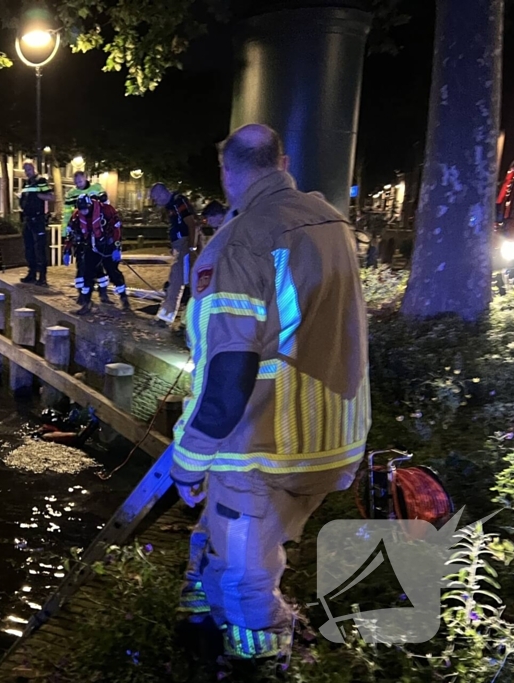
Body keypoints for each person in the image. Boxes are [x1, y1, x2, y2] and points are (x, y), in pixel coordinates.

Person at [172, 124, 371, 661]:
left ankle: (261, 658)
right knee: (235, 540)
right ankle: (201, 620)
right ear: (282, 161)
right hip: (335, 435)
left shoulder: (238, 243)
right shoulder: (334, 224)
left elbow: (230, 374)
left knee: (246, 584)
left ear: (226, 171)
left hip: (264, 442)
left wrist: (187, 463)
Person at [67, 194, 130, 315]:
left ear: (90, 205)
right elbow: (72, 232)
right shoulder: (77, 215)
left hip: (107, 246)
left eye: (85, 208)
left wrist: (116, 246)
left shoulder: (106, 210)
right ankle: (86, 303)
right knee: (87, 274)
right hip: (91, 246)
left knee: (113, 272)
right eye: (81, 209)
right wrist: (67, 249)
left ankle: (124, 299)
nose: (84, 211)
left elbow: (116, 229)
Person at [151, 182, 199, 327]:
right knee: (189, 281)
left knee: (176, 280)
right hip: (181, 245)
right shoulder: (172, 205)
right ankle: (187, 319)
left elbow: (191, 224)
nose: (156, 201)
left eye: (155, 198)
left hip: (184, 244)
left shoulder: (179, 201)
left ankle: (166, 316)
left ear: (162, 193)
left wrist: (192, 248)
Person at [63, 172, 109, 300]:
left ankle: (102, 292)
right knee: (81, 265)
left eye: (80, 180)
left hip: (95, 234)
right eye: (76, 181)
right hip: (81, 234)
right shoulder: (71, 194)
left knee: (97, 265)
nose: (78, 183)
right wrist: (66, 235)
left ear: (85, 178)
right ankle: (82, 295)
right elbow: (67, 215)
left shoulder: (97, 188)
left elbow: (106, 208)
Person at [18, 161, 54, 286]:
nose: (27, 171)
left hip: (38, 219)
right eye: (25, 169)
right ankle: (32, 273)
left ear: (33, 168)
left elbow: (50, 197)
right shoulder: (26, 183)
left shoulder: (41, 180)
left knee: (40, 248)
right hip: (27, 218)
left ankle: (42, 277)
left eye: (28, 168)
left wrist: (39, 196)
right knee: (29, 248)